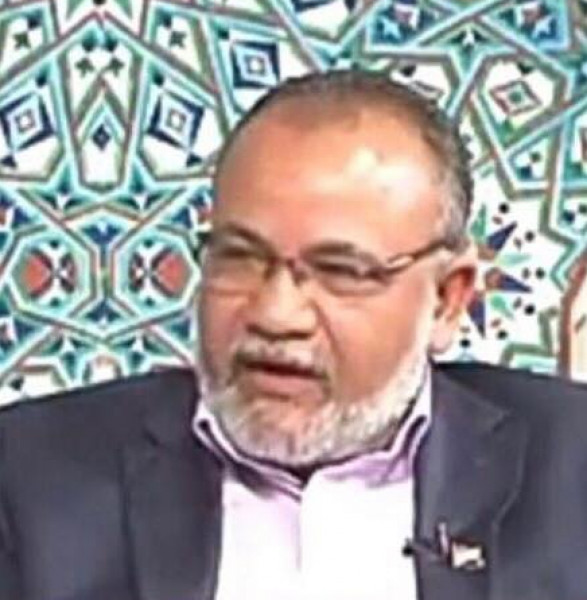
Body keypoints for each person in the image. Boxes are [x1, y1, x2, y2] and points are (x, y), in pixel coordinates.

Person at [1, 70, 587, 600]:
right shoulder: (27, 477)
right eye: (239, 257)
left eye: (341, 271)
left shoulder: (571, 468)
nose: (276, 315)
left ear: (447, 299)